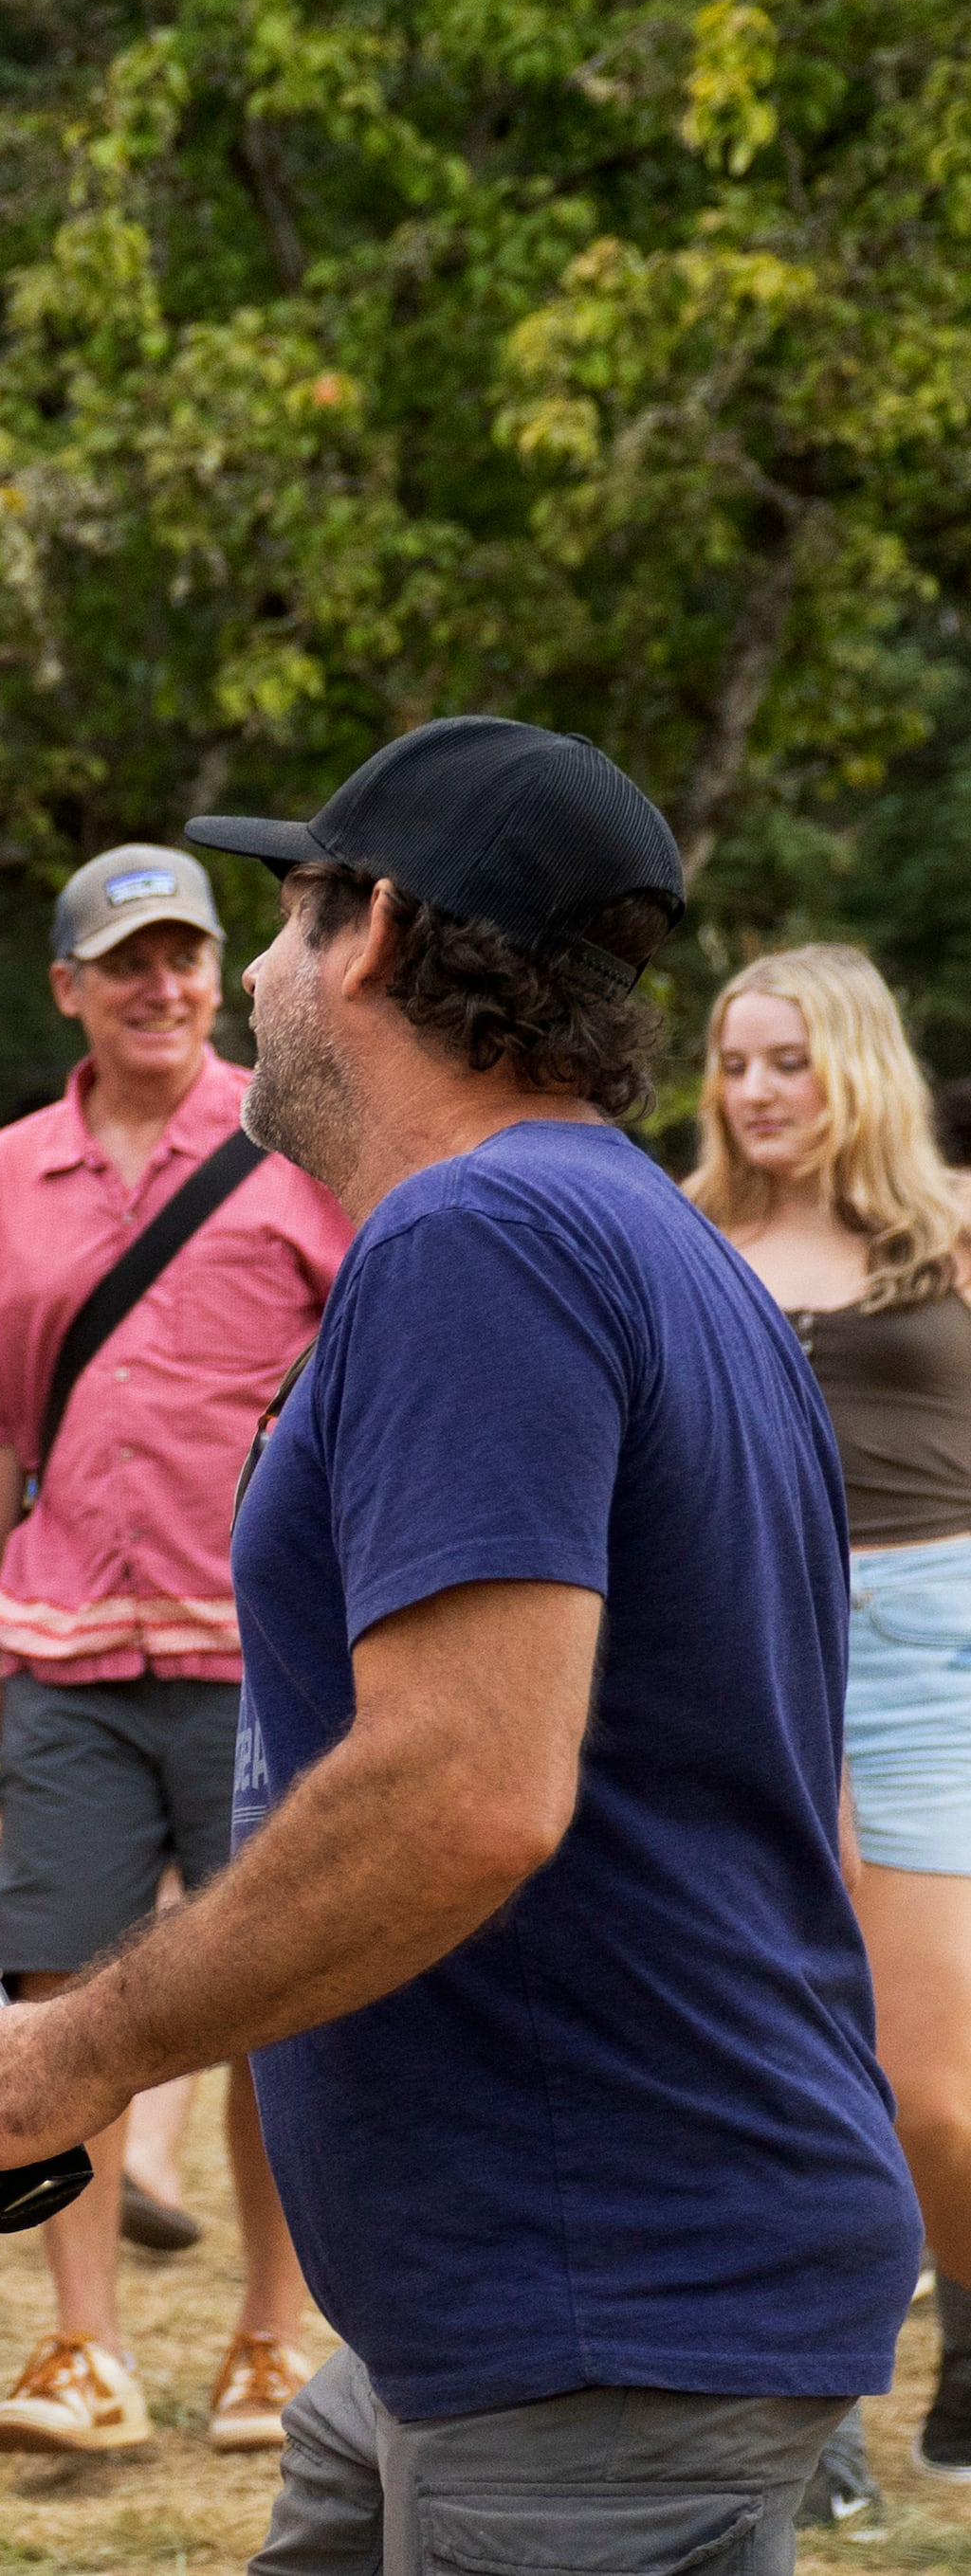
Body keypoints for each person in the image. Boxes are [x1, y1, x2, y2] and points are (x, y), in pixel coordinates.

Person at [0, 716, 927, 2563]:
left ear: (367, 930)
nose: (248, 979)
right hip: (518, 2305)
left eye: (277, 918)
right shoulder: (649, 1238)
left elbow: (465, 1792)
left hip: (596, 2308)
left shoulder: (484, 1237)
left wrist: (81, 2050)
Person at [0, 840, 339, 2453]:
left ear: (218, 975)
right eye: (126, 962)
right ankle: (83, 2346)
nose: (161, 986)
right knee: (54, 1992)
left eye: (184, 957)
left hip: (264, 1651)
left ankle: (274, 2338)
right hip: (62, 1646)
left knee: (277, 1993)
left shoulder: (302, 1142)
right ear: (67, 989)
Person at [687, 941, 971, 2475]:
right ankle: (808, 2407)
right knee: (768, 2057)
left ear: (855, 1064)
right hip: (743, 1647)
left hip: (931, 1652)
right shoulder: (687, 1233)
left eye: (787, 1061)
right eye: (735, 1062)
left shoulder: (954, 1230)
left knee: (933, 2091)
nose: (755, 1090)